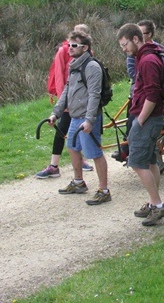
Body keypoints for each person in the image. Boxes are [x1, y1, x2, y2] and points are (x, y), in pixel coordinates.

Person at [48, 30, 110, 205]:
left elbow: (94, 95)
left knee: (94, 153)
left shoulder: (91, 67)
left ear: (85, 48)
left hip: (87, 117)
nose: (70, 48)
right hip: (75, 117)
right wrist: (56, 113)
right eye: (69, 45)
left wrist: (90, 120)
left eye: (74, 45)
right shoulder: (74, 65)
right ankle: (78, 182)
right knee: (73, 147)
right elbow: (67, 91)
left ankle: (104, 190)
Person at [117, 23, 164, 226]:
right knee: (150, 161)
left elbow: (152, 94)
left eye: (125, 44)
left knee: (137, 163)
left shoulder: (147, 60)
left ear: (136, 39)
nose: (124, 49)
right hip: (150, 118)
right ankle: (153, 202)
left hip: (147, 118)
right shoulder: (146, 56)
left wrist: (139, 121)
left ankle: (157, 205)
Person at [37, 24, 94, 178]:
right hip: (69, 101)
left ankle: (74, 162)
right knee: (62, 130)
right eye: (72, 41)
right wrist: (64, 104)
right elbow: (61, 78)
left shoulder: (88, 56)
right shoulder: (63, 51)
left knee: (77, 131)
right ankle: (54, 165)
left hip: (80, 103)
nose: (72, 46)